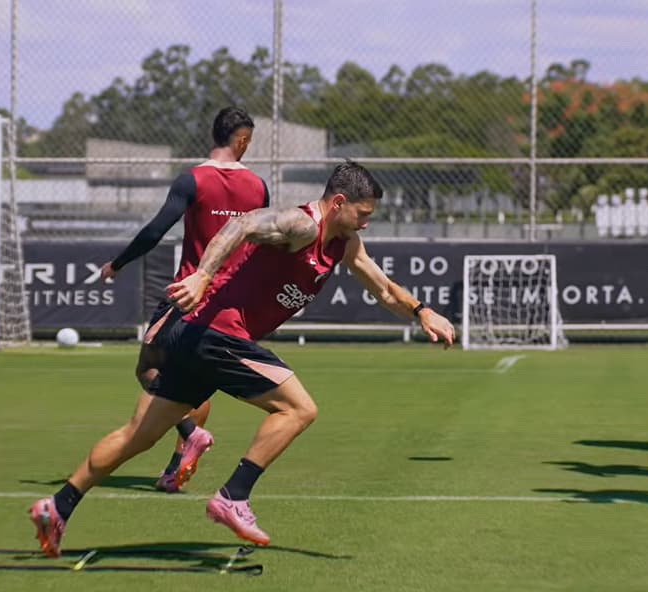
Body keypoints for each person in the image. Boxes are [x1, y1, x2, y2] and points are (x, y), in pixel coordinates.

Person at [28, 161, 456, 556]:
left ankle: (58, 506)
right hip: (217, 334)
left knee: (137, 436)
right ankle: (233, 497)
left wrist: (421, 312)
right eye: (363, 213)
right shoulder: (302, 225)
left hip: (197, 338)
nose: (367, 221)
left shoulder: (345, 243)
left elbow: (382, 288)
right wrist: (203, 275)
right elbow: (245, 223)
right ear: (339, 202)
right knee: (299, 409)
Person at [100, 106, 268, 493]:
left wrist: (118, 263)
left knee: (148, 368)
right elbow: (261, 245)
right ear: (241, 139)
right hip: (233, 305)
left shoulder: (193, 179)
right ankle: (176, 468)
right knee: (198, 382)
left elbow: (156, 230)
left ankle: (190, 433)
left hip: (189, 296)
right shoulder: (259, 187)